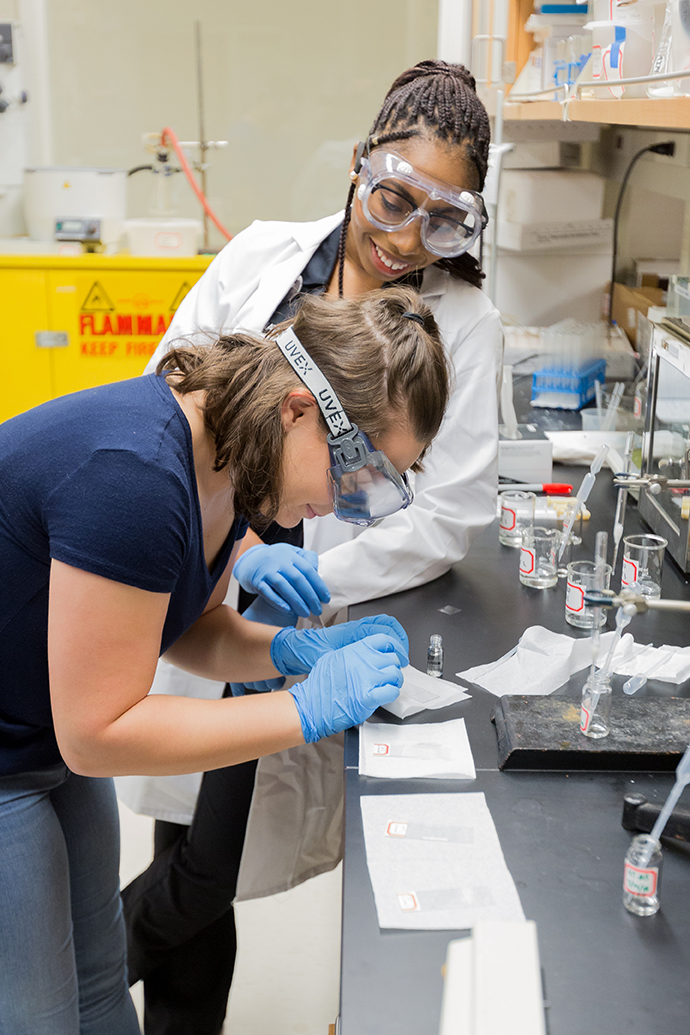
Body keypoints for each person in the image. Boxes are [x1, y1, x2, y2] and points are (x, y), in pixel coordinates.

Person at [119, 59, 502, 1034]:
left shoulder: (466, 323)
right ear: (358, 167)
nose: (405, 238)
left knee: (241, 865)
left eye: (441, 222)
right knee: (190, 876)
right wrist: (238, 555)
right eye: (390, 198)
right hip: (204, 589)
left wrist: (311, 577)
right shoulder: (260, 258)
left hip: (315, 616)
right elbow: (164, 399)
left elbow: (448, 511)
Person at [0, 285, 450, 1035]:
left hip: (40, 737)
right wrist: (301, 709)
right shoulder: (137, 474)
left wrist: (292, 647)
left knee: (102, 989)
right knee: (39, 1017)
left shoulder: (232, 461)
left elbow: (187, 626)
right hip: (27, 748)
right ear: (299, 408)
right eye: (356, 470)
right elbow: (99, 732)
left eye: (376, 488)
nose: (345, 504)